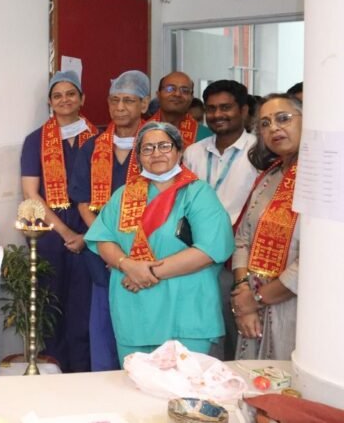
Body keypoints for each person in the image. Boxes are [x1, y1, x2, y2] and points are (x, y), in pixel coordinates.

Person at [85, 122, 233, 364]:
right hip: (134, 311)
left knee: (185, 384)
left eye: (164, 146)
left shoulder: (197, 193)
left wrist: (145, 273)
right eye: (147, 148)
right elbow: (103, 238)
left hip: (186, 311)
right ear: (138, 156)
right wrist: (126, 265)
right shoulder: (123, 194)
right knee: (137, 383)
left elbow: (209, 250)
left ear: (179, 151)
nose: (156, 153)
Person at [19, 70, 98, 372]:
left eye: (71, 94)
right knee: (51, 309)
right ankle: (55, 373)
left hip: (93, 234)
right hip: (51, 235)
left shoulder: (101, 139)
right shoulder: (35, 141)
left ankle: (84, 375)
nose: (64, 100)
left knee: (85, 311)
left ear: (82, 99)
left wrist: (88, 234)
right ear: (50, 102)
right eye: (57, 95)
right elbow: (30, 193)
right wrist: (66, 233)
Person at [71, 70, 149, 371]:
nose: (120, 107)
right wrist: (108, 243)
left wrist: (127, 247)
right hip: (100, 251)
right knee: (103, 324)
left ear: (144, 104)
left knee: (140, 326)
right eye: (114, 100)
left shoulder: (155, 147)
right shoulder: (92, 147)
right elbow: (82, 202)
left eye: (128, 100)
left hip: (143, 251)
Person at [182, 80, 260, 359]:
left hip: (237, 258)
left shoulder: (259, 152)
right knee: (203, 331)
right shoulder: (193, 152)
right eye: (212, 109)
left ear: (244, 110)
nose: (217, 115)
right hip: (196, 256)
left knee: (237, 330)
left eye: (226, 108)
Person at [231, 94, 302, 361]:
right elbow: (242, 239)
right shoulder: (269, 176)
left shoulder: (325, 180)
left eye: (283, 118)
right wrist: (244, 293)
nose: (274, 128)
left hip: (294, 307)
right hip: (253, 305)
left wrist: (257, 299)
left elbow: (316, 261)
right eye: (265, 123)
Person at [149, 72, 213, 147]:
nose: (177, 94)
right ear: (158, 95)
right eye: (170, 89)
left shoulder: (207, 137)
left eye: (185, 91)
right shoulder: (141, 131)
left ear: (191, 97)